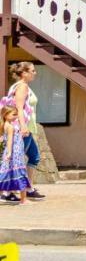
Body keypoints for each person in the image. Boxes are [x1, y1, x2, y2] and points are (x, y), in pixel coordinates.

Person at [5, 62, 44, 200]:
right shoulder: (22, 86)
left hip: (25, 128)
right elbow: (19, 108)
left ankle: (28, 188)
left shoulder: (19, 86)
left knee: (34, 156)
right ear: (24, 73)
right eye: (32, 71)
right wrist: (23, 126)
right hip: (21, 129)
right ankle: (7, 192)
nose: (35, 73)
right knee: (16, 160)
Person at [0, 105, 31, 204]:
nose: (16, 116)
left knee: (5, 175)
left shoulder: (5, 125)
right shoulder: (10, 127)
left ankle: (23, 199)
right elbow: (9, 141)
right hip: (15, 154)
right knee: (20, 174)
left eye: (17, 114)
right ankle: (23, 200)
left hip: (13, 153)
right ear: (5, 115)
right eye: (14, 114)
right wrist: (9, 153)